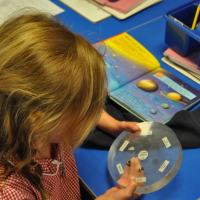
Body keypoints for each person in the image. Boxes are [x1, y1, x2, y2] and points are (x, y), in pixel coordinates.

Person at [0, 12, 141, 200]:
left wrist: (110, 123)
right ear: (41, 118)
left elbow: (67, 100)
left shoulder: (33, 119)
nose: (91, 114)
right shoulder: (11, 192)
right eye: (85, 110)